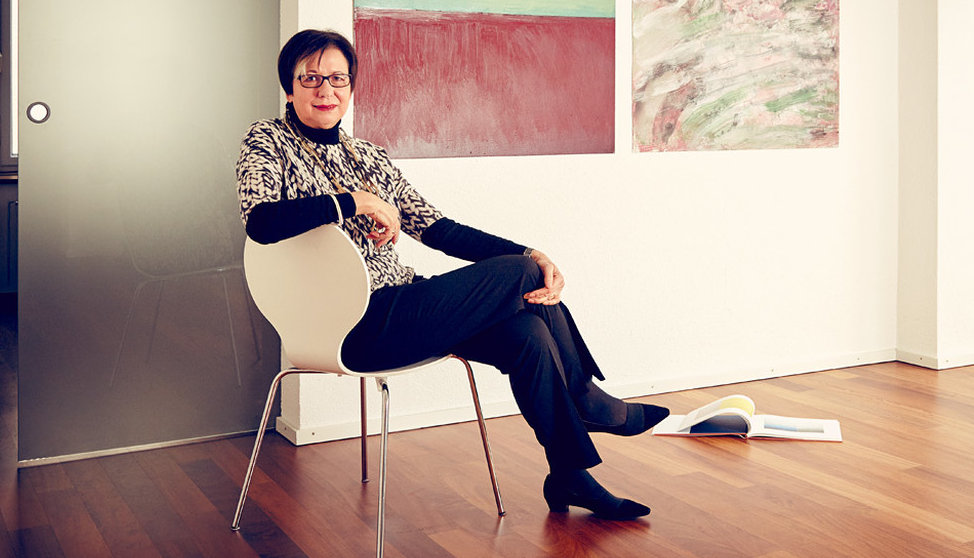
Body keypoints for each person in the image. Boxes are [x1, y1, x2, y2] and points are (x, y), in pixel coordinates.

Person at [236, 29, 668, 520]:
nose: (325, 90)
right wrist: (355, 201)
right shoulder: (267, 141)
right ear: (289, 86)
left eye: (338, 78)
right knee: (524, 275)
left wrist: (530, 251)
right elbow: (261, 222)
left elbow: (440, 230)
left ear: (351, 86)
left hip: (405, 309)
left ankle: (570, 475)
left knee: (528, 333)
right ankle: (589, 402)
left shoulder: (368, 156)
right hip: (349, 324)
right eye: (310, 78)